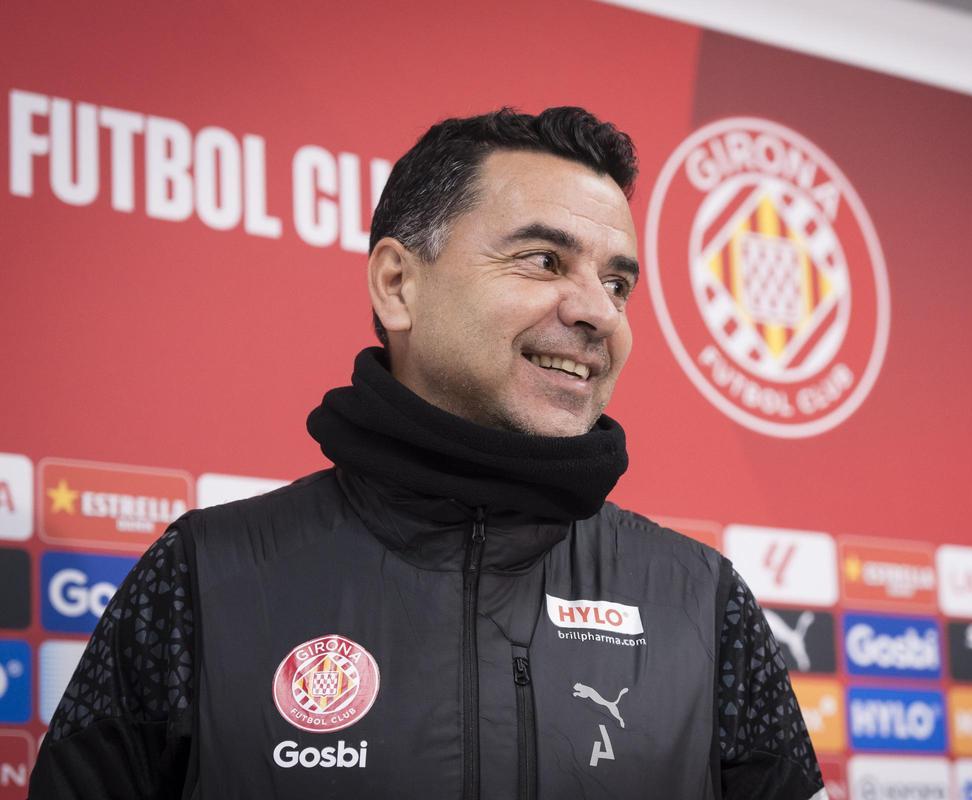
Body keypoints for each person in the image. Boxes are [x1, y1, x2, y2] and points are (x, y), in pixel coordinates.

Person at [29, 107, 825, 799]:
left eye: (618, 283)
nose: (596, 313)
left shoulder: (702, 604)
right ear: (397, 285)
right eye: (544, 261)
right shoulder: (203, 578)